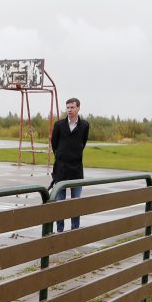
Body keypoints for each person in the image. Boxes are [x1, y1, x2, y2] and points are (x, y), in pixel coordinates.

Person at [50, 98, 89, 232]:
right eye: (68, 108)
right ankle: (60, 231)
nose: (69, 110)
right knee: (60, 204)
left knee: (75, 204)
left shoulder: (84, 125)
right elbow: (54, 145)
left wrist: (74, 155)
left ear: (78, 108)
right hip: (61, 171)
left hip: (76, 171)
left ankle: (75, 231)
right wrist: (61, 156)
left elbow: (82, 144)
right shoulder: (59, 125)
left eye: (72, 107)